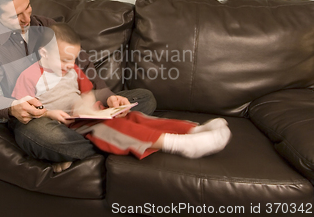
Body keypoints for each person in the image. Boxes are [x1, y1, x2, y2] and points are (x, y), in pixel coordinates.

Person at [0, 0, 157, 165]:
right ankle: (116, 138)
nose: (27, 19)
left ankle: (91, 141)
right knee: (46, 137)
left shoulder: (47, 26)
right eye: (17, 16)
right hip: (36, 118)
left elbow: (83, 63)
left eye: (28, 8)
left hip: (75, 107)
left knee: (145, 97)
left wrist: (108, 96)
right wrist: (11, 107)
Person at [12, 23, 232, 166]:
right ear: (43, 53)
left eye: (73, 60)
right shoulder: (29, 75)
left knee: (136, 116)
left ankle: (193, 129)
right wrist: (50, 114)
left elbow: (89, 92)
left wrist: (99, 103)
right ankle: (178, 144)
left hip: (88, 115)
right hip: (66, 124)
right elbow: (25, 107)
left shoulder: (74, 69)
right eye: (65, 60)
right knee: (117, 128)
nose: (71, 65)